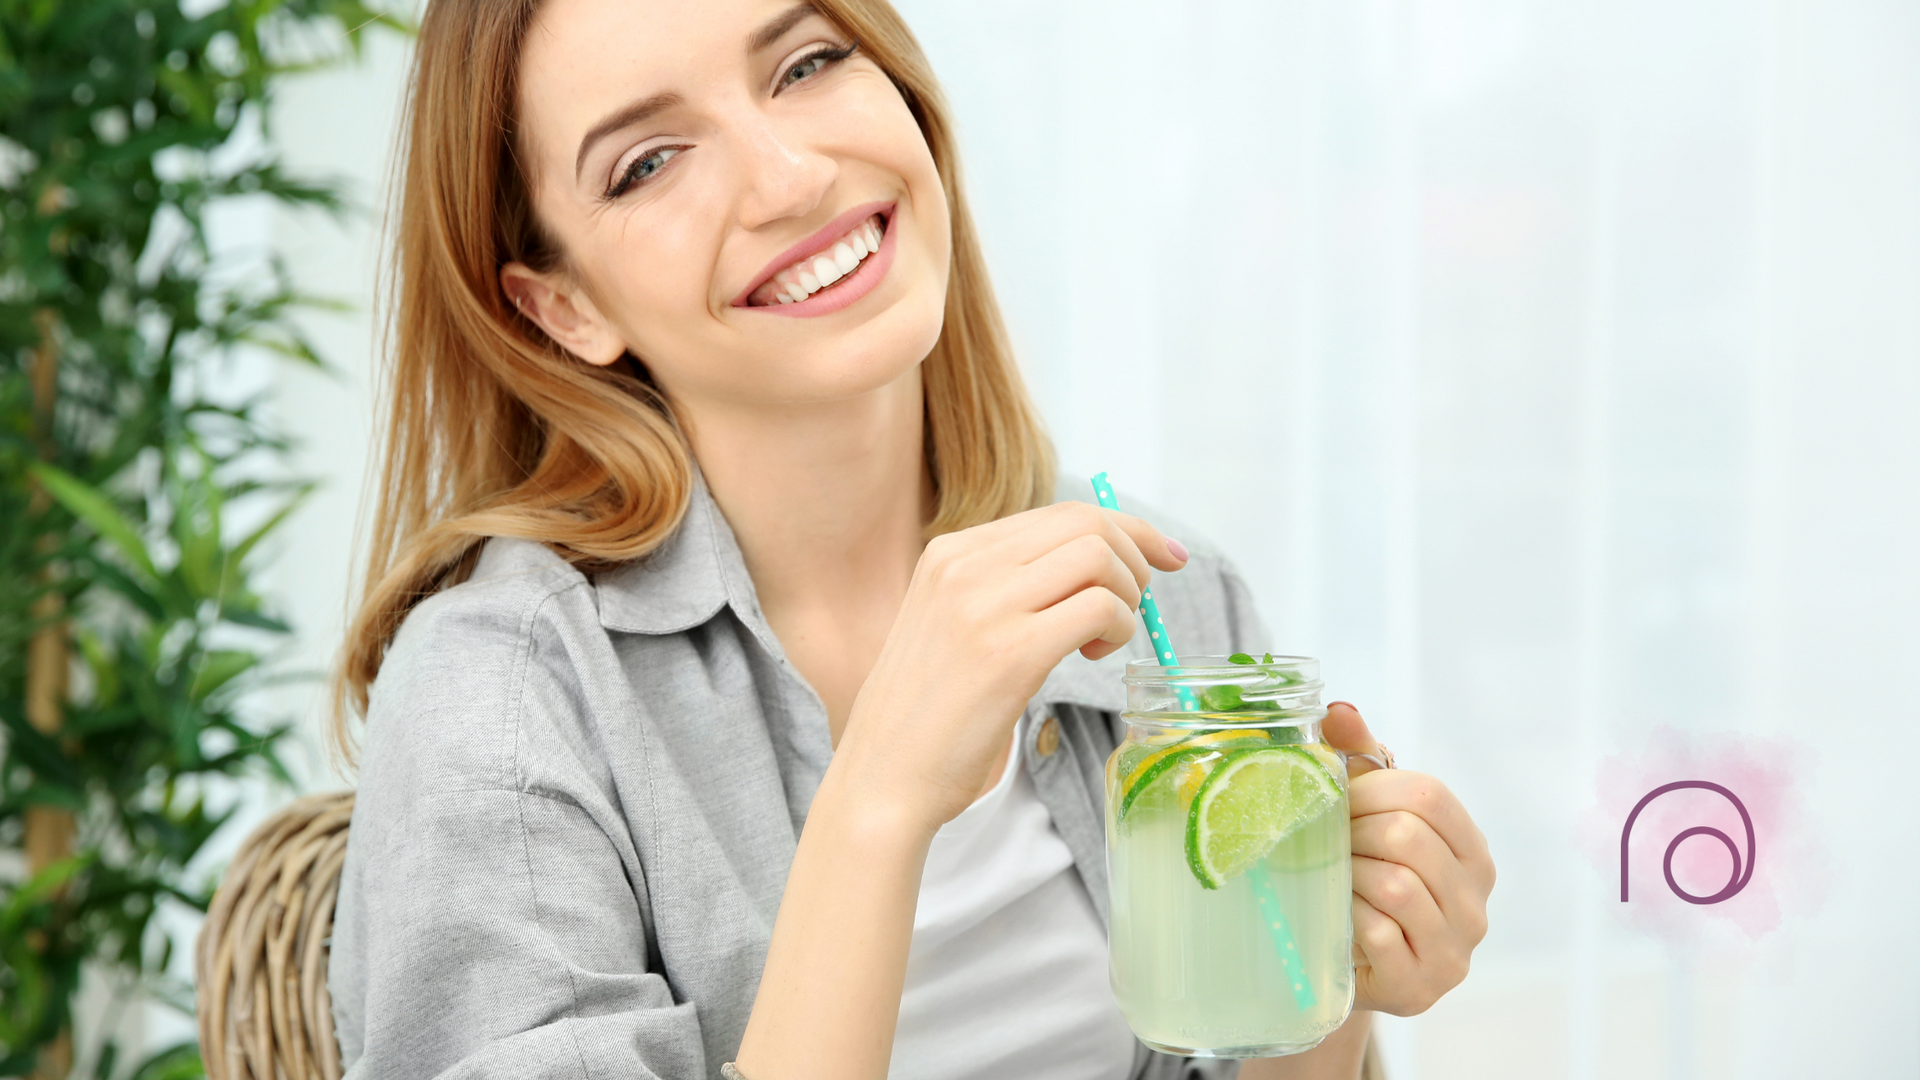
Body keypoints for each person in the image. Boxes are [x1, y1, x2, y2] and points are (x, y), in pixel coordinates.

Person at [325, 1, 1497, 1078]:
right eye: (649, 161)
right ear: (563, 306)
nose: (789, 176)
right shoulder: (502, 698)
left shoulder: (1168, 603)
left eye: (807, 62)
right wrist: (878, 794)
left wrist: (1343, 978)